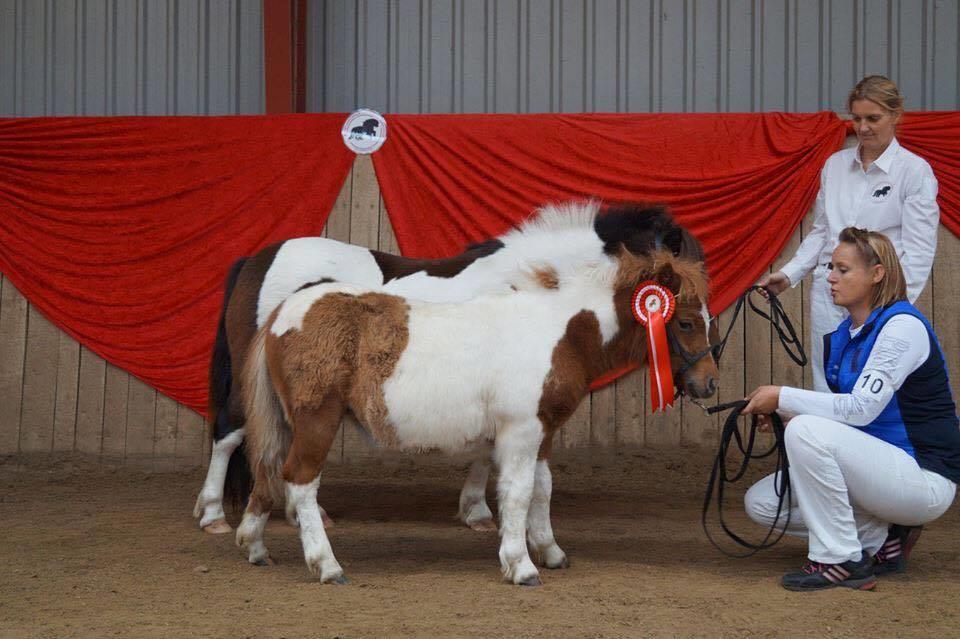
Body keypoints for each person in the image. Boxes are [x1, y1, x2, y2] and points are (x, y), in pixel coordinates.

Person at [742, 228, 960, 592]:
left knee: (806, 432)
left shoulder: (901, 326)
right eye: (830, 267)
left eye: (843, 269)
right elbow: (851, 420)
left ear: (877, 274)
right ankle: (881, 537)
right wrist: (786, 414)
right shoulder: (846, 334)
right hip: (881, 472)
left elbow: (859, 409)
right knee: (762, 503)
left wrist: (782, 396)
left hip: (924, 477)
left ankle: (840, 559)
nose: (830, 277)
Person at [758, 75, 939, 392]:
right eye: (856, 118)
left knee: (871, 390)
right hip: (830, 292)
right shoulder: (834, 165)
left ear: (896, 115)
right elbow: (822, 232)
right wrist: (788, 275)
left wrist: (892, 308)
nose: (863, 127)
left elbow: (919, 251)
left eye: (873, 118)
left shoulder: (914, 171)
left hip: (877, 298)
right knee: (827, 383)